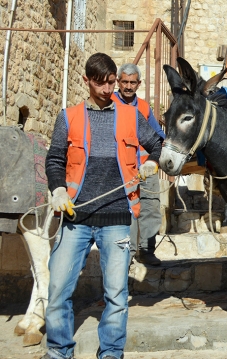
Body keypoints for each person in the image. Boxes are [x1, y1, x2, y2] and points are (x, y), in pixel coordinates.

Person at [43, 53, 162, 359]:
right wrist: (58, 189)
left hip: (117, 217)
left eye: (112, 82)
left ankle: (111, 352)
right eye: (101, 83)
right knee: (57, 289)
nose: (109, 89)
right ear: (87, 81)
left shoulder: (131, 116)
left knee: (117, 296)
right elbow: (55, 158)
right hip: (76, 216)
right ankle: (58, 351)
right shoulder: (68, 117)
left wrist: (153, 161)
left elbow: (159, 144)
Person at [112, 63, 165, 266]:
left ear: (139, 84)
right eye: (124, 81)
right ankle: (129, 252)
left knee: (150, 207)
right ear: (118, 82)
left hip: (146, 166)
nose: (128, 86)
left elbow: (157, 134)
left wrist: (167, 144)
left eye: (132, 82)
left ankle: (146, 250)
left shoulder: (143, 107)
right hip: (122, 168)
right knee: (127, 211)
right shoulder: (110, 103)